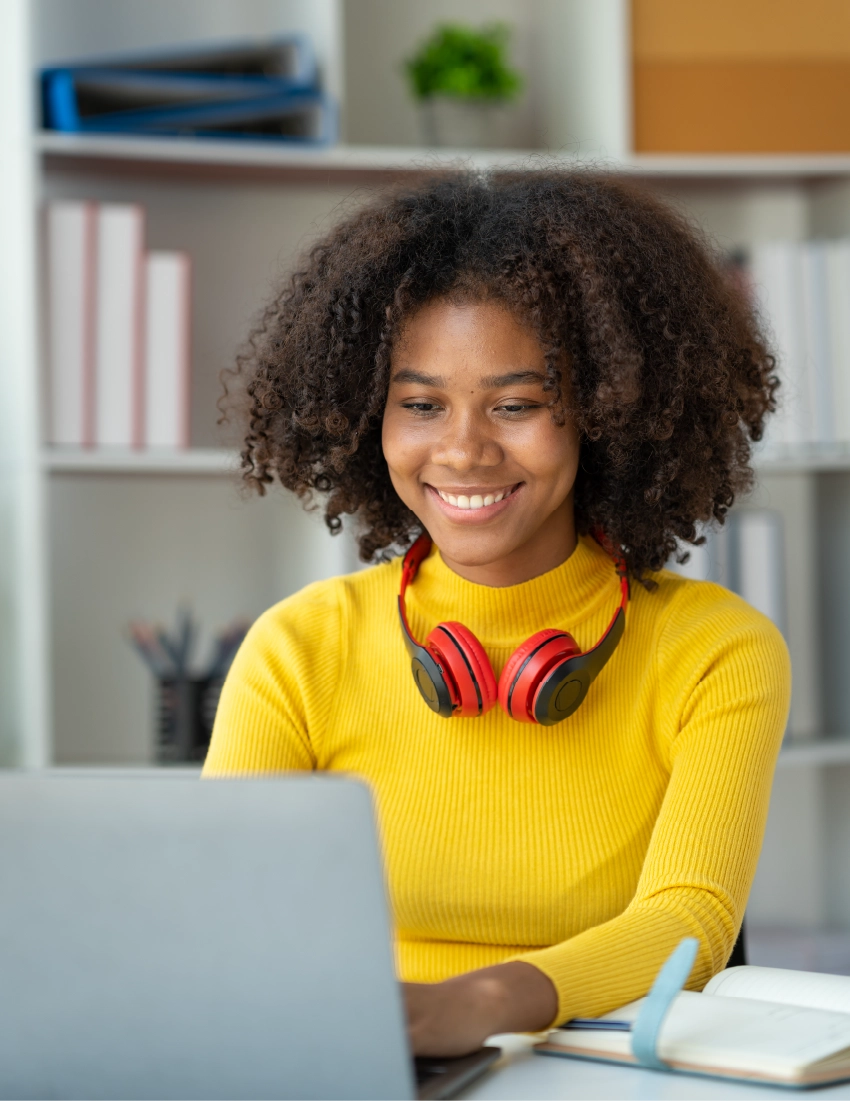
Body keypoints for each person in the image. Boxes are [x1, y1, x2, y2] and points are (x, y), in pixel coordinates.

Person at [203, 170, 790, 1056]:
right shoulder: (299, 647)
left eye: (517, 404)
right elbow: (218, 905)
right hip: (350, 1052)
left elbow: (691, 918)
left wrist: (474, 1005)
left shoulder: (716, 649)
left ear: (606, 413)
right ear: (371, 419)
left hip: (594, 1064)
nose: (465, 449)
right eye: (421, 403)